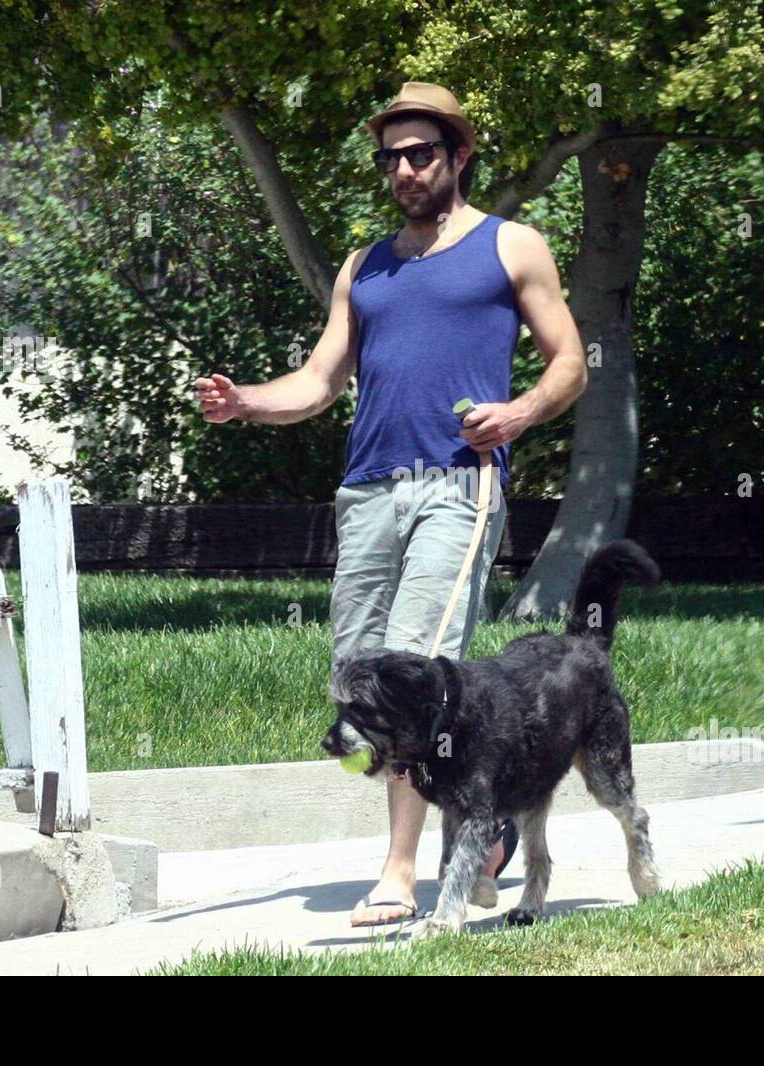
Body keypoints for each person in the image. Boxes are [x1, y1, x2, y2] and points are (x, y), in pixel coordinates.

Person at [195, 81, 587, 926]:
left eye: (421, 154)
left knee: (413, 670)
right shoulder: (364, 267)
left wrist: (517, 413)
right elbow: (319, 381)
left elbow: (569, 362)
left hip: (458, 485)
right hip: (368, 491)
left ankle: (401, 871)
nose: (405, 170)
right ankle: (489, 826)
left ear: (458, 156)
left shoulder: (510, 246)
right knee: (358, 680)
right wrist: (245, 402)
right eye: (392, 158)